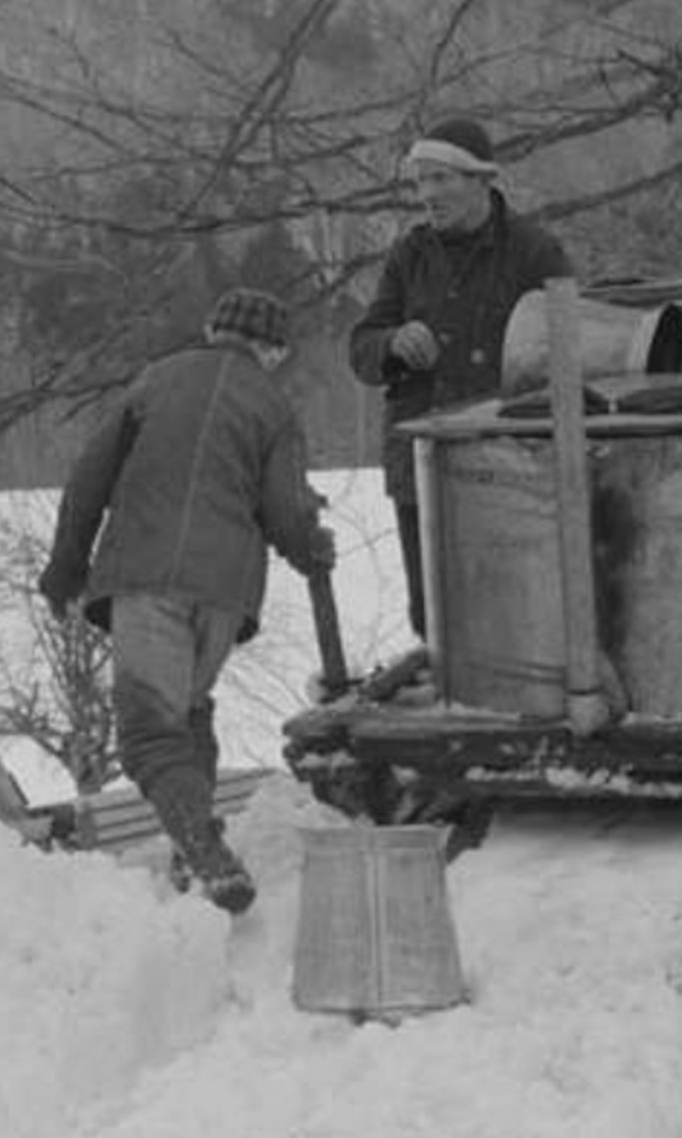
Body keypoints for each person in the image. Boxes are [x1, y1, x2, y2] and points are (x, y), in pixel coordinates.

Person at [38, 287, 335, 914]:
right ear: (274, 351)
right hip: (224, 593)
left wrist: (66, 567)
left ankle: (205, 851)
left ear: (212, 329)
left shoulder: (154, 382)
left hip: (145, 575)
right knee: (190, 712)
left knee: (150, 731)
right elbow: (285, 511)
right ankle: (192, 848)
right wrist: (310, 549)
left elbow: (89, 478)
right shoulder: (274, 406)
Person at [348, 116, 574, 641]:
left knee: (513, 611)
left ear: (481, 180)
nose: (427, 194)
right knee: (435, 616)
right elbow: (361, 346)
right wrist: (392, 343)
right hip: (419, 462)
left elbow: (570, 351)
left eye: (441, 179)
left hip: (510, 463)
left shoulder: (534, 252)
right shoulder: (409, 255)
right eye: (420, 181)